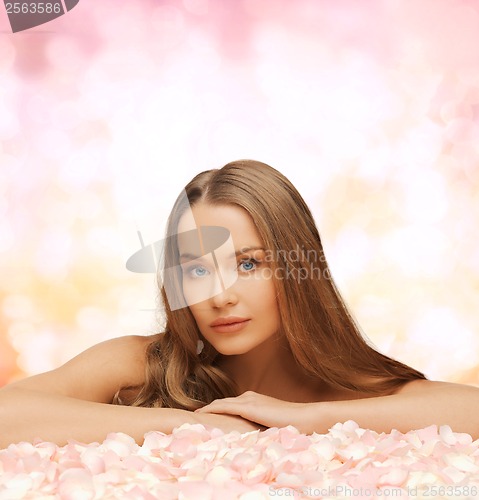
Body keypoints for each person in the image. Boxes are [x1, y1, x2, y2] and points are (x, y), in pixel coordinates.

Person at [1, 160, 478, 448]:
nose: (220, 294)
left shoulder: (350, 393)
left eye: (248, 264)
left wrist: (308, 419)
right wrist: (190, 428)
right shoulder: (140, 364)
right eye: (197, 269)